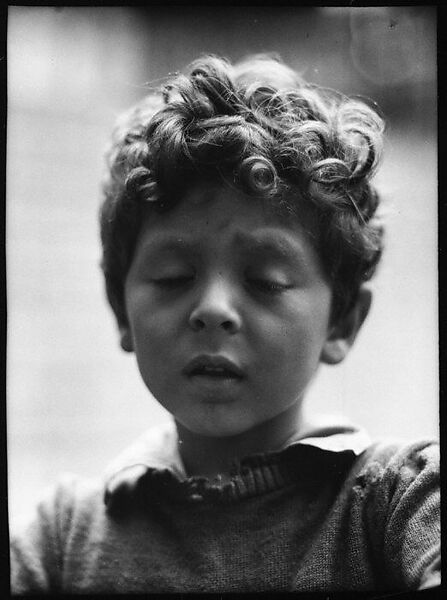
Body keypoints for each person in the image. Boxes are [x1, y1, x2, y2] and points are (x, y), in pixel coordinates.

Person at [10, 54, 440, 593]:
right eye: (172, 277)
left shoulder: (399, 505)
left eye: (264, 280)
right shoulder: (63, 538)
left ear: (343, 321)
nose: (212, 309)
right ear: (120, 307)